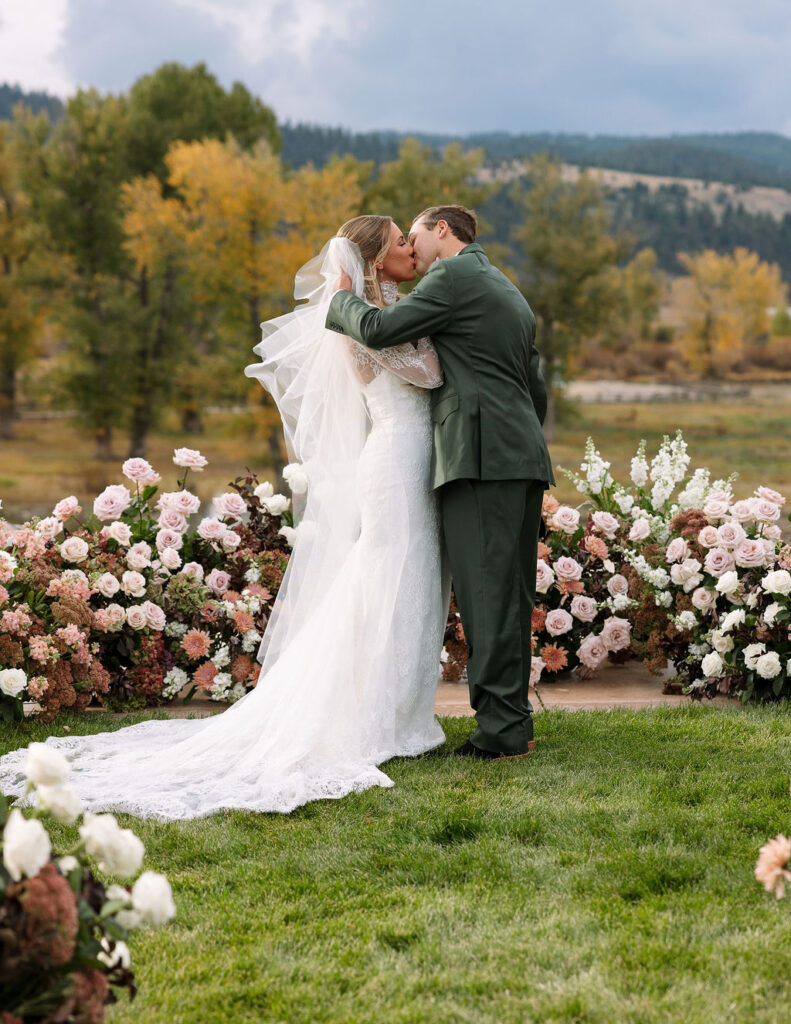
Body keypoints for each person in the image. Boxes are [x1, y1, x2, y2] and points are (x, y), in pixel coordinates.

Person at [0, 217, 450, 820]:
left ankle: (403, 713)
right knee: (387, 575)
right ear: (373, 259)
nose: (408, 248)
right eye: (398, 241)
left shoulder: (387, 307)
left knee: (411, 574)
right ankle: (372, 719)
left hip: (410, 454)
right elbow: (428, 374)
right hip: (394, 457)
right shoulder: (356, 319)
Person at [326, 204, 554, 760]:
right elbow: (536, 384)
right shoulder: (503, 285)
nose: (413, 247)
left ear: (441, 231)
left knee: (486, 594)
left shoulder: (453, 276)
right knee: (507, 591)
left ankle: (500, 733)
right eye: (401, 240)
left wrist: (337, 300)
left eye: (416, 235)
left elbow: (379, 329)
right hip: (517, 454)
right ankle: (510, 723)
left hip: (480, 459)